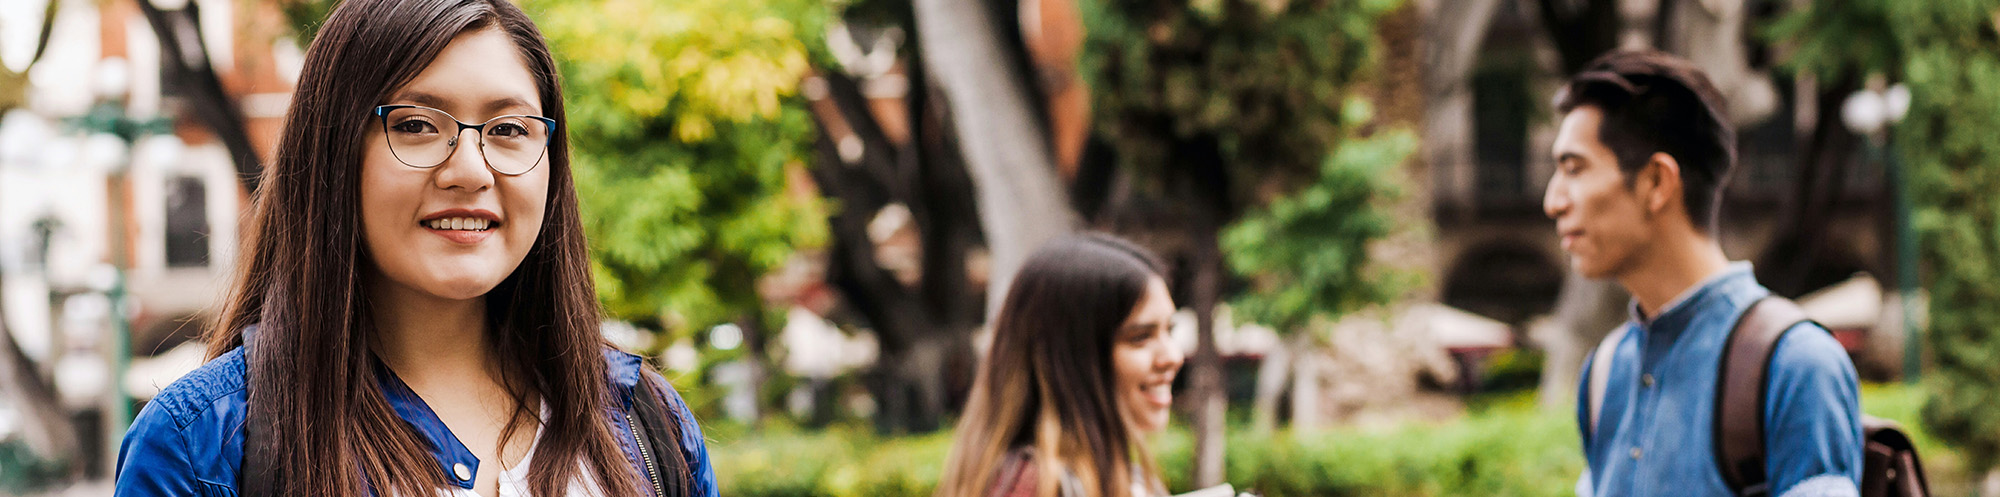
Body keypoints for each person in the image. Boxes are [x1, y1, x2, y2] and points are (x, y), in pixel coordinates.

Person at [111, 0, 715, 495]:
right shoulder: (203, 447)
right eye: (418, 125)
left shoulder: (643, 424)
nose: (471, 170)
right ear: (334, 153)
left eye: (508, 130)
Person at [1546, 50, 1863, 497]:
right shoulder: (1604, 373)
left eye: (1574, 169)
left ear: (1657, 182)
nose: (1553, 201)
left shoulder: (1795, 363)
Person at [937, 234, 1186, 497]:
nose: (1172, 356)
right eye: (1140, 337)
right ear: (1072, 361)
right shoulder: (1035, 486)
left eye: (1169, 330)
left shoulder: (1118, 476)